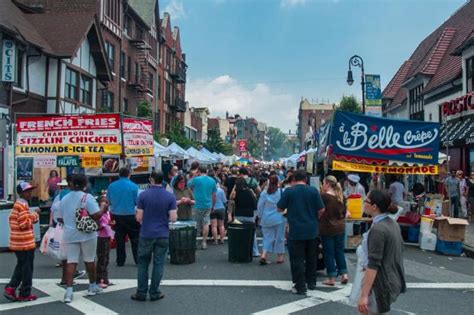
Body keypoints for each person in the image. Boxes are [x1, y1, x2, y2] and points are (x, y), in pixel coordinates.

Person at [357, 190, 406, 314]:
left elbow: (373, 264)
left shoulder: (378, 230)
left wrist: (364, 295)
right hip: (390, 281)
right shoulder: (392, 223)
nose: (363, 203)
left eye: (366, 201)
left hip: (379, 285)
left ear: (374, 206)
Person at [58, 174, 105, 303]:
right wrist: (103, 205)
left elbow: (60, 218)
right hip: (87, 234)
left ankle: (68, 291)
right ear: (85, 184)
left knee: (71, 261)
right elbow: (97, 215)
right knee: (89, 260)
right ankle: (92, 286)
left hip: (69, 233)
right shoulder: (87, 197)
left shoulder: (65, 198)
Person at [131, 171, 177, 302]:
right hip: (162, 233)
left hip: (146, 233)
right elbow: (173, 218)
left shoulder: (143, 195)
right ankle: (155, 292)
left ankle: (141, 292)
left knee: (143, 264)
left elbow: (139, 217)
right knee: (158, 264)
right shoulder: (170, 197)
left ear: (151, 179)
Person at [277, 170, 325, 295]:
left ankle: (300, 285)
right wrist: (315, 218)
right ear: (306, 179)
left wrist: (288, 213)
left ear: (294, 179)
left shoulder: (289, 191)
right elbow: (321, 209)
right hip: (312, 229)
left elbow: (279, 208)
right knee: (311, 257)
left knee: (297, 259)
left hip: (296, 229)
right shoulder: (313, 191)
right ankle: (311, 282)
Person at [4, 182, 40, 302]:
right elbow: (24, 224)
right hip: (25, 242)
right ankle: (24, 293)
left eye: (30, 190)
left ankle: (11, 288)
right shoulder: (22, 205)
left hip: (18, 242)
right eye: (27, 191)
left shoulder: (18, 204)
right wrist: (35, 215)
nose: (30, 193)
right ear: (21, 193)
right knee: (27, 268)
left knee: (21, 266)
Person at [107, 167, 140, 266]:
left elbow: (109, 201)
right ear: (129, 174)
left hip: (116, 215)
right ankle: (137, 259)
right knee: (135, 238)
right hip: (130, 215)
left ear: (119, 175)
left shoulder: (111, 186)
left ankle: (120, 260)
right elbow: (136, 202)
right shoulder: (134, 186)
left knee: (119, 238)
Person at [320, 175, 348, 286]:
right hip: (340, 227)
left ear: (327, 183)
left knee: (329, 253)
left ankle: (331, 278)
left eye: (323, 183)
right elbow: (345, 212)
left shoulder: (324, 196)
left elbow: (319, 210)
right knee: (339, 251)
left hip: (327, 227)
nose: (322, 185)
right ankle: (344, 274)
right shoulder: (341, 196)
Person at [257, 175, 286, 265]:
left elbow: (260, 206)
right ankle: (280, 257)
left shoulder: (264, 193)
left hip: (266, 218)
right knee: (280, 238)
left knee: (267, 237)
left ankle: (264, 255)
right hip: (280, 218)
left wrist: (259, 216)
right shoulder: (281, 192)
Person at [229, 177, 260, 257]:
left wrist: (234, 188)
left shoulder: (235, 192)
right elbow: (254, 203)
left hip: (238, 214)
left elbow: (230, 199)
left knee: (239, 234)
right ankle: (255, 251)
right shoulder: (250, 192)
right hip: (249, 214)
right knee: (252, 234)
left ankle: (239, 251)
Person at [188, 166, 217, 250]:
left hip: (196, 204)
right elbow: (214, 195)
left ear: (199, 171)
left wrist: (194, 175)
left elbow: (188, 184)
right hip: (208, 205)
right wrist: (213, 205)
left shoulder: (196, 179)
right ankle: (204, 242)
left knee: (195, 224)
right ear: (207, 171)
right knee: (206, 223)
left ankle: (195, 242)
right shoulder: (212, 181)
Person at [96, 193, 114, 289]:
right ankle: (99, 279)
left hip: (107, 236)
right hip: (101, 237)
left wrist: (110, 223)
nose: (105, 205)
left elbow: (108, 222)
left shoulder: (107, 213)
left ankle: (105, 278)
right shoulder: (99, 213)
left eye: (106, 203)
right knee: (101, 259)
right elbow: (99, 225)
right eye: (103, 203)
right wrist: (106, 224)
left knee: (106, 259)